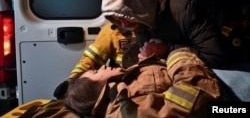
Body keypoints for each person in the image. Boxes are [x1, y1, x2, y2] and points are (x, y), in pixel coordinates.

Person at [101, 0, 229, 70]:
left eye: (125, 17)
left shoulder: (184, 10)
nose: (124, 25)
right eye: (118, 20)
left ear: (137, 5)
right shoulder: (139, 22)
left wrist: (167, 49)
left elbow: (216, 57)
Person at [63, 46, 221, 118]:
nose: (103, 66)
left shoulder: (121, 89)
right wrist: (177, 56)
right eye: (96, 72)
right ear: (95, 89)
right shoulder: (127, 109)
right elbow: (192, 102)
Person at [53, 22, 136, 99]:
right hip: (119, 85)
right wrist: (72, 81)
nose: (104, 66)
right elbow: (91, 59)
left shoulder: (148, 29)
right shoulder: (112, 30)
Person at [221, 4, 250, 70]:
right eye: (245, 20)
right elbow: (220, 41)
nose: (247, 23)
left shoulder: (247, 31)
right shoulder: (230, 27)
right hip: (230, 63)